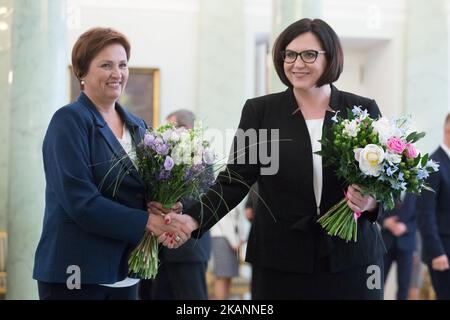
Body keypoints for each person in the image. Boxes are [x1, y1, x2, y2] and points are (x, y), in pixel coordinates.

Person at [165, 18, 386, 299]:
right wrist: (193, 218)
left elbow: (386, 180)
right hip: (281, 258)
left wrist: (371, 201)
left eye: (309, 54)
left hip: (351, 258)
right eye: (289, 54)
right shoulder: (261, 111)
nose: (297, 63)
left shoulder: (361, 109)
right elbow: (236, 178)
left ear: (330, 57)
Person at [32, 27, 193, 300]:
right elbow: (80, 201)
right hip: (77, 272)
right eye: (106, 65)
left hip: (125, 271)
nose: (117, 74)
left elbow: (137, 191)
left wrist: (161, 207)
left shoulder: (138, 126)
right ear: (82, 72)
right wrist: (147, 221)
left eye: (122, 64)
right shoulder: (69, 121)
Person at [140, 109, 212, 300]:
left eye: (172, 128)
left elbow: (202, 198)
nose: (168, 135)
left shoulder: (202, 157)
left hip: (189, 249)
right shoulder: (167, 157)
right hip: (162, 249)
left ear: (186, 129)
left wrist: (174, 205)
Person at [417, 113, 450, 300]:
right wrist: (436, 252)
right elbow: (425, 214)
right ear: (448, 130)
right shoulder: (433, 164)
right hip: (443, 253)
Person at [380, 193, 417, 300]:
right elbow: (374, 207)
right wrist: (385, 222)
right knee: (377, 283)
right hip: (385, 243)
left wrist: (406, 227)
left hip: (407, 244)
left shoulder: (419, 187)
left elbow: (423, 215)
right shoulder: (385, 183)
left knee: (404, 286)